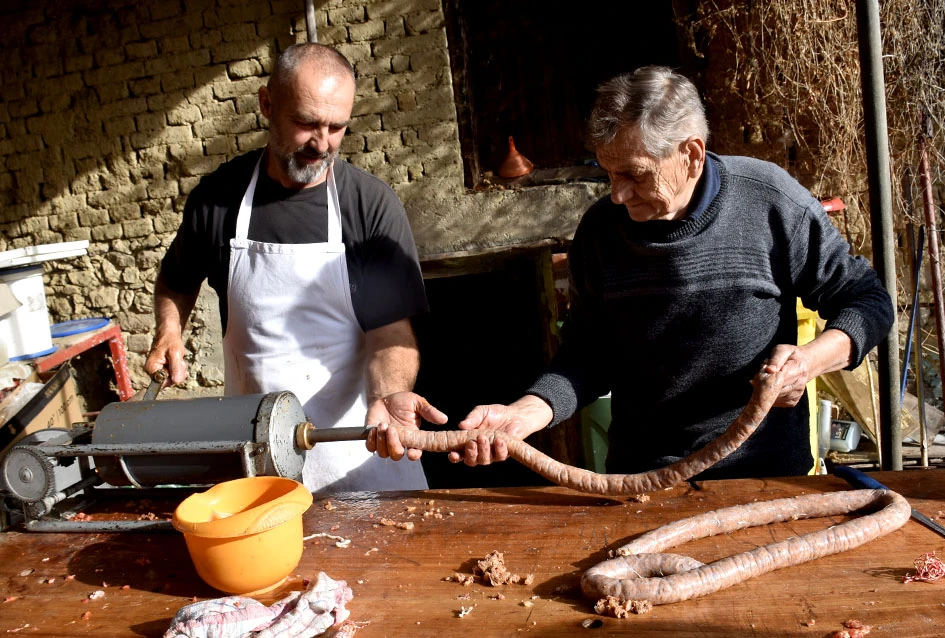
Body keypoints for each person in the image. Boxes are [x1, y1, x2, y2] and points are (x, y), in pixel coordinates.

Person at [446, 65, 893, 480]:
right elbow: (587, 355)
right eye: (607, 174)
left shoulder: (770, 201)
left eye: (634, 175)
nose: (617, 195)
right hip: (643, 478)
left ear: (692, 154)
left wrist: (808, 362)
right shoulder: (601, 232)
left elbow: (867, 301)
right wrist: (523, 413)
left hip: (765, 475)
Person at [146, 43, 446, 493]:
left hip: (358, 451)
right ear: (267, 103)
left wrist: (386, 395)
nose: (321, 143)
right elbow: (177, 280)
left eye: (336, 127)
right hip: (258, 457)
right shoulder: (218, 199)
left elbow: (390, 333)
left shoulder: (367, 206)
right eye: (306, 123)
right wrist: (169, 331)